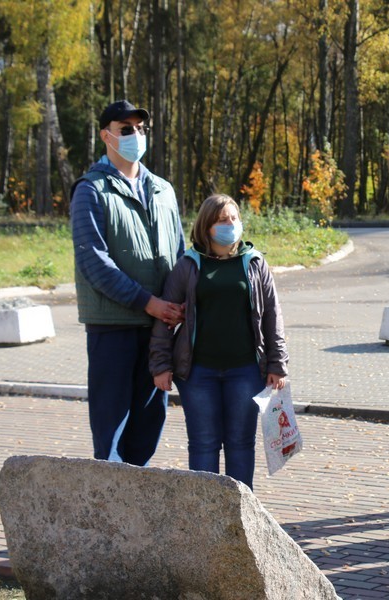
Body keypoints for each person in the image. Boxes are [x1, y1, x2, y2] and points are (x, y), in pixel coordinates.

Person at [71, 99, 185, 466]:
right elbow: (93, 261)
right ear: (106, 136)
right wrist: (148, 302)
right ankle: (109, 518)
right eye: (126, 129)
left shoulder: (163, 190)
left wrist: (179, 305)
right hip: (114, 330)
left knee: (149, 426)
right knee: (113, 434)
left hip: (158, 330)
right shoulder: (91, 190)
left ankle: (138, 515)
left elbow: (181, 255)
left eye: (140, 128)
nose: (136, 135)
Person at [149, 194, 288, 489]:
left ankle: (241, 515)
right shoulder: (188, 265)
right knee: (203, 444)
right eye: (222, 220)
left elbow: (272, 316)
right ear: (206, 226)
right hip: (198, 373)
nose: (230, 225)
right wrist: (160, 365)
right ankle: (203, 514)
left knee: (240, 443)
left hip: (246, 371)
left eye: (234, 219)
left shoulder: (254, 263)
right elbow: (165, 317)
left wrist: (278, 363)